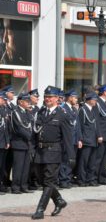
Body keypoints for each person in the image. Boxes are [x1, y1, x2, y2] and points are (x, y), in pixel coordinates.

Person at [31, 86, 75, 219]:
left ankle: (40, 210)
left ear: (57, 99)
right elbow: (35, 133)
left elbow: (68, 138)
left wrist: (71, 156)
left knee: (49, 181)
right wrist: (32, 149)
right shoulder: (40, 112)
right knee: (42, 180)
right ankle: (59, 201)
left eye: (50, 97)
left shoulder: (63, 114)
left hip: (54, 151)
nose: (47, 99)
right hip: (40, 151)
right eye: (46, 97)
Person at [10, 92, 33, 194]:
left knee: (26, 167)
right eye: (27, 101)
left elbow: (30, 126)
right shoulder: (15, 112)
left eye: (29, 101)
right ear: (20, 102)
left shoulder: (27, 112)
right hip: (19, 143)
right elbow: (19, 128)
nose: (29, 103)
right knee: (18, 166)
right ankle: (15, 187)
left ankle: (24, 186)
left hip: (27, 144)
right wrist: (30, 136)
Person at [59, 90, 83, 188]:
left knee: (71, 160)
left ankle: (68, 178)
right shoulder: (63, 109)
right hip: (66, 139)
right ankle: (63, 180)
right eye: (75, 97)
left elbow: (77, 126)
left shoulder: (74, 109)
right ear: (69, 97)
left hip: (74, 139)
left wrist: (79, 139)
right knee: (64, 160)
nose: (76, 100)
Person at [77, 92, 100, 187]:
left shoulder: (92, 110)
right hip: (86, 140)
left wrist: (98, 135)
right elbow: (80, 126)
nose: (95, 102)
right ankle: (81, 180)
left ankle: (90, 179)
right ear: (89, 100)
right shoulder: (83, 110)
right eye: (94, 100)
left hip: (93, 140)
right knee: (83, 162)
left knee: (92, 162)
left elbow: (95, 125)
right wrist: (80, 139)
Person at [93, 84, 106, 185]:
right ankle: (95, 177)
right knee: (99, 158)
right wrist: (99, 134)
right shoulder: (98, 103)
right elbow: (97, 120)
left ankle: (102, 177)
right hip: (102, 135)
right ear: (104, 92)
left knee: (105, 158)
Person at [0, 91, 10, 195]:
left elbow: (5, 128)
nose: (4, 101)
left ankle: (1, 184)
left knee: (2, 166)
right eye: (2, 99)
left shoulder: (3, 110)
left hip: (2, 143)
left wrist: (7, 141)